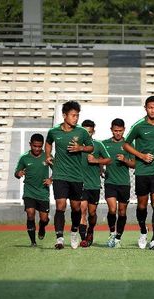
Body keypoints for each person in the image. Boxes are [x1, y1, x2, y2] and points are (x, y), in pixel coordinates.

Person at [123, 95, 154, 250]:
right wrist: (141, 156)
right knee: (142, 205)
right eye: (150, 107)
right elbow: (126, 144)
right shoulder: (139, 126)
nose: (153, 110)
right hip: (142, 171)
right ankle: (143, 231)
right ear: (145, 108)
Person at [45, 100, 93, 249]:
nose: (76, 118)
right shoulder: (54, 132)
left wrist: (80, 148)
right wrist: (48, 155)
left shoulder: (82, 132)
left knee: (76, 207)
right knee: (60, 206)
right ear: (64, 115)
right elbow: (48, 143)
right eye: (73, 115)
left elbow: (90, 147)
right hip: (59, 175)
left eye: (77, 115)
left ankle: (74, 232)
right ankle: (59, 238)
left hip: (76, 176)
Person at [79, 120, 111, 248]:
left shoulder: (98, 145)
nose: (87, 135)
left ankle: (90, 231)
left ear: (93, 132)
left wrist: (96, 161)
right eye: (85, 132)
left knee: (92, 213)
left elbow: (108, 159)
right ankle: (83, 239)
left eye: (90, 132)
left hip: (94, 184)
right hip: (80, 183)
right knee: (83, 211)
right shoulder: (76, 146)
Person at [14, 133, 52, 247]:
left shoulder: (47, 156)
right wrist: (18, 173)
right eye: (34, 146)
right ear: (30, 144)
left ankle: (42, 227)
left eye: (39, 146)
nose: (37, 148)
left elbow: (58, 170)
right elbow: (16, 172)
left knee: (44, 218)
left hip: (43, 193)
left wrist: (51, 179)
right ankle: (33, 241)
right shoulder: (24, 157)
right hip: (29, 191)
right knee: (30, 213)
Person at [103, 118, 135, 249]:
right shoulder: (104, 144)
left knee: (122, 212)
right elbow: (99, 158)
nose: (118, 133)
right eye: (115, 130)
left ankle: (118, 237)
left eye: (120, 131)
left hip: (124, 183)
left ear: (124, 130)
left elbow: (134, 164)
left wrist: (125, 160)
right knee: (112, 209)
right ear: (111, 130)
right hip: (110, 181)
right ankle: (111, 233)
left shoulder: (128, 145)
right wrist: (101, 169)